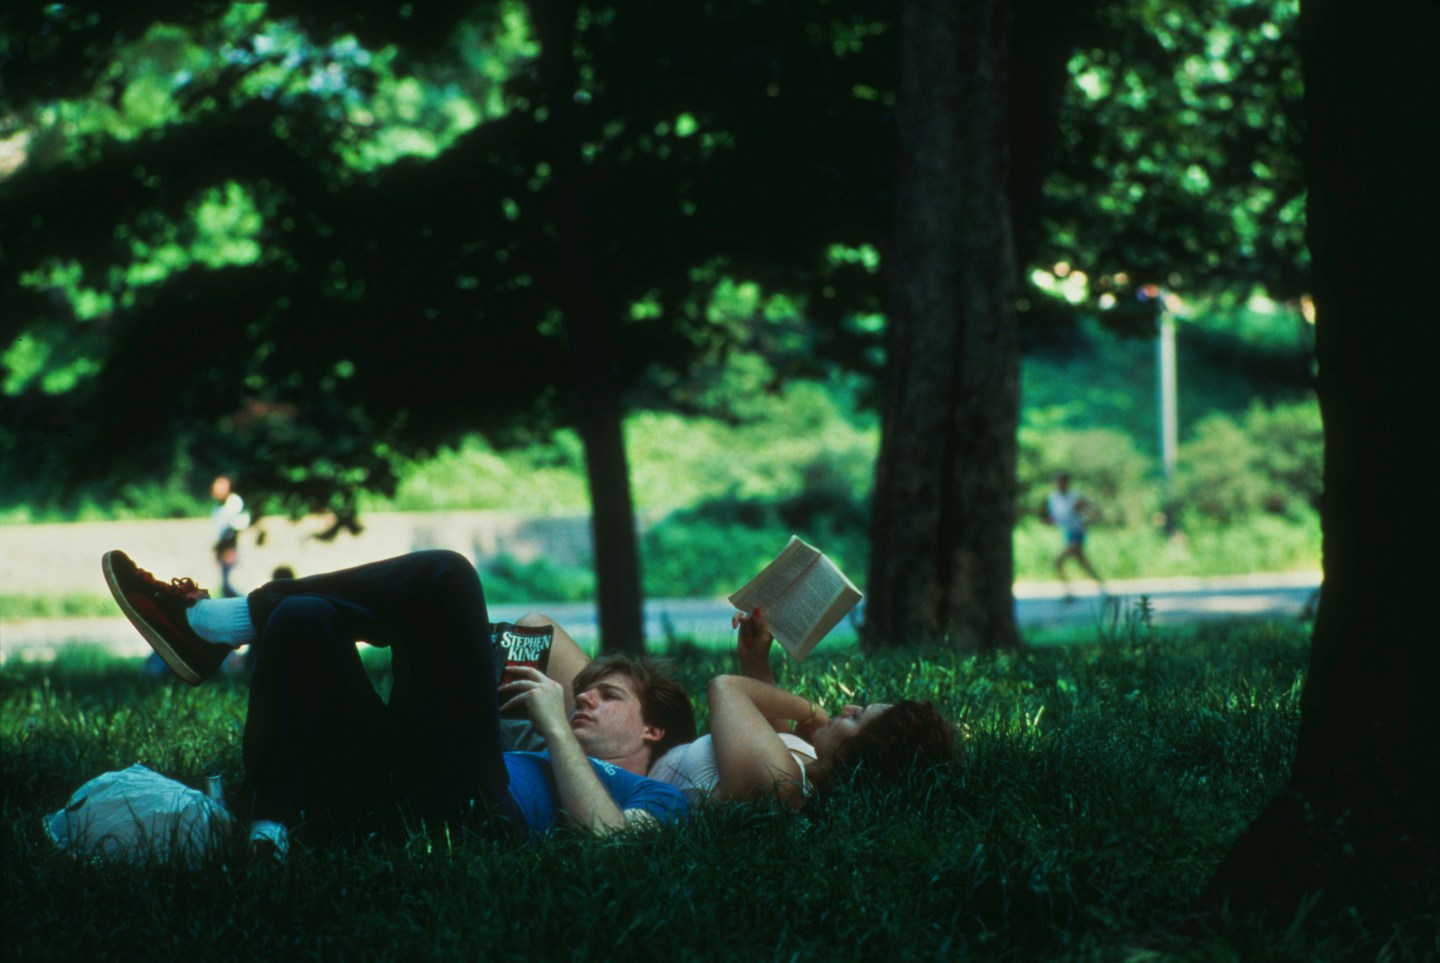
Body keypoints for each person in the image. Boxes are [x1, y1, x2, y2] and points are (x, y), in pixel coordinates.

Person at [101, 549, 694, 858]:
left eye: (609, 696)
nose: (584, 696)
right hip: (394, 782)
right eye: (587, 688)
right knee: (306, 616)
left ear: (654, 731)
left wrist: (557, 730)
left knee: (449, 574)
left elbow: (611, 845)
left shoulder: (659, 796)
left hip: (471, 815)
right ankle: (272, 819)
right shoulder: (532, 741)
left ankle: (218, 626)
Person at [645, 608, 954, 808]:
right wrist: (756, 660)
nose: (847, 707)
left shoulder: (781, 784)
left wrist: (810, 710)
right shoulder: (804, 768)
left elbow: (725, 688)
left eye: (856, 716)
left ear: (859, 755)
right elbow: (769, 732)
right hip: (650, 749)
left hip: (634, 773)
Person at [1041, 471, 1105, 601]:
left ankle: (1069, 593)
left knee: (1058, 561)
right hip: (1067, 533)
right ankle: (1104, 590)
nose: (1059, 485)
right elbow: (1058, 516)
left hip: (1077, 533)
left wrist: (1089, 522)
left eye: (1062, 482)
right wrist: (1050, 521)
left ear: (1067, 483)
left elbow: (1094, 511)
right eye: (1057, 482)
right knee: (1083, 563)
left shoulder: (1074, 497)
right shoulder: (1053, 498)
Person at [210, 475, 251, 598]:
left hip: (229, 546)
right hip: (223, 546)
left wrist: (227, 548)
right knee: (225, 584)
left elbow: (236, 527)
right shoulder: (218, 506)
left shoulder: (234, 502)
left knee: (230, 584)